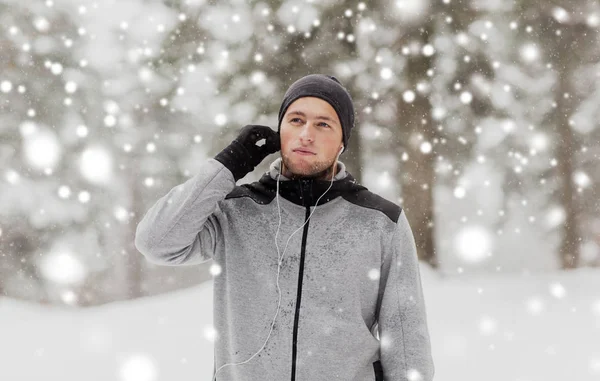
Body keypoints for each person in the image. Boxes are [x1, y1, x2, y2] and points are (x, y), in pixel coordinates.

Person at [134, 74, 435, 381]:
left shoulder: (379, 222)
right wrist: (228, 165)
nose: (306, 134)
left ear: (342, 141)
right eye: (296, 120)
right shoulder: (237, 211)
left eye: (323, 124)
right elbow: (156, 241)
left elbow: (408, 347)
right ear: (280, 131)